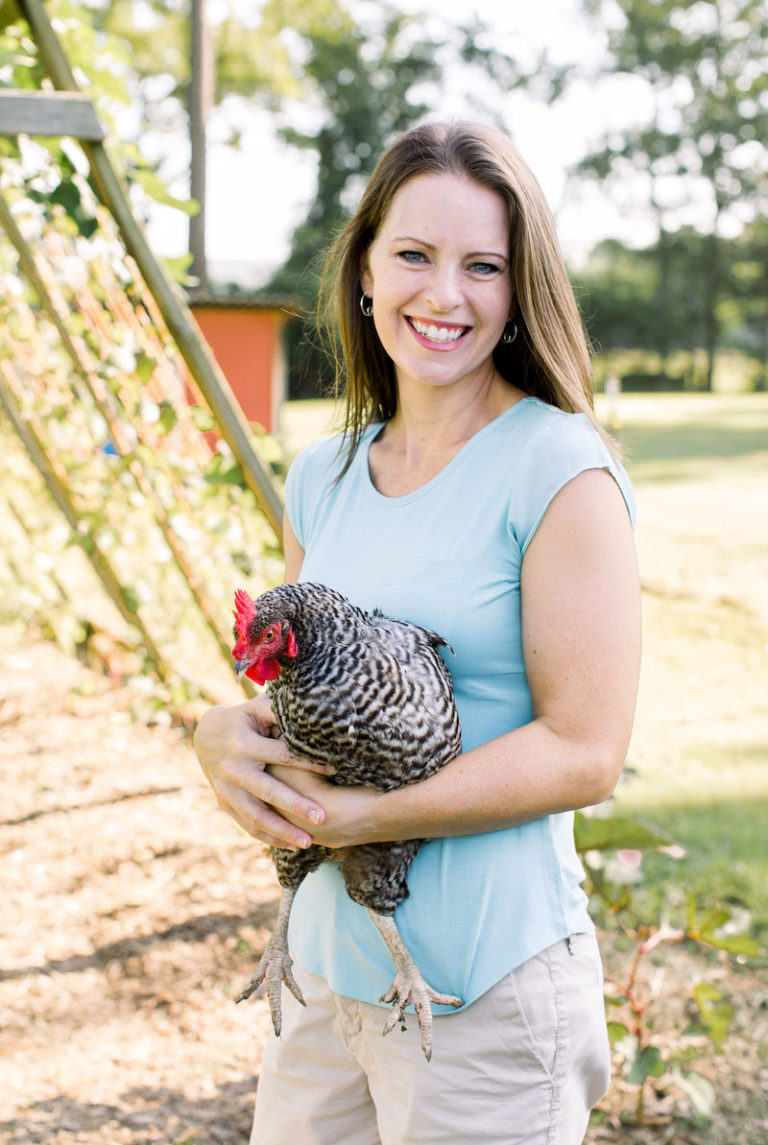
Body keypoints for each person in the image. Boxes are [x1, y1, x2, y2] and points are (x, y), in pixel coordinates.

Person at [194, 120, 641, 1145]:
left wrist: (363, 819)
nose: (445, 295)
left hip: (485, 992)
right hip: (323, 979)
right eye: (413, 255)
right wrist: (222, 737)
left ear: (518, 290)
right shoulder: (324, 473)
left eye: (483, 266)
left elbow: (586, 750)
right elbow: (312, 697)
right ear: (364, 270)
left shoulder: (558, 467)